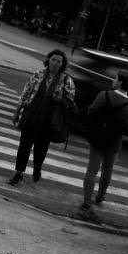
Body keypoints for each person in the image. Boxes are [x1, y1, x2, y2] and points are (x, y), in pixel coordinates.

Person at [10, 48, 77, 184]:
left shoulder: (67, 80)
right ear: (48, 60)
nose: (55, 63)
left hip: (48, 120)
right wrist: (17, 112)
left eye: (59, 61)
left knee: (41, 148)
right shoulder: (38, 74)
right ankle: (18, 173)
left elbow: (70, 102)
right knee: (24, 146)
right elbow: (26, 93)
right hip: (31, 115)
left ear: (62, 64)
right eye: (53, 59)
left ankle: (37, 167)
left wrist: (60, 99)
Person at [78, 70, 128, 215]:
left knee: (92, 170)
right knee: (107, 169)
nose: (113, 81)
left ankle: (86, 202)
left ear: (120, 82)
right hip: (114, 142)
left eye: (115, 79)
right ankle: (100, 196)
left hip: (98, 137)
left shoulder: (104, 95)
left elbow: (91, 111)